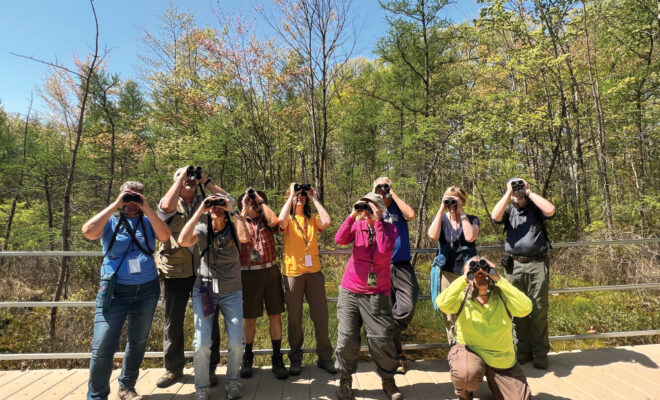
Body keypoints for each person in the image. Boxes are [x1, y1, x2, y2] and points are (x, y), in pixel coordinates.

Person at [82, 181, 171, 400]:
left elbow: (165, 235)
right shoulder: (110, 222)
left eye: (136, 198)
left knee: (138, 341)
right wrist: (116, 204)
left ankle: (126, 388)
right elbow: (88, 232)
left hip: (147, 289)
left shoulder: (148, 221)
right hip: (115, 291)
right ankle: (97, 396)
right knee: (103, 345)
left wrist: (147, 208)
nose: (132, 203)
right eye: (128, 198)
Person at [155, 166, 230, 388]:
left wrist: (206, 180)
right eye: (183, 177)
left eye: (192, 178)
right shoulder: (169, 200)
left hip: (203, 271)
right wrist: (179, 180)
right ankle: (173, 368)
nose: (189, 180)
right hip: (174, 272)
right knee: (173, 321)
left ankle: (209, 367)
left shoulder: (205, 201)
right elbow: (165, 208)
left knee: (209, 319)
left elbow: (228, 201)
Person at [178, 193, 250, 400]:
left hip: (232, 292)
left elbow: (245, 237)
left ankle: (233, 381)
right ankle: (201, 386)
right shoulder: (202, 229)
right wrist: (200, 211)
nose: (216, 207)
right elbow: (183, 240)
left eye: (220, 204)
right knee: (201, 342)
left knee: (236, 341)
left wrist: (232, 209)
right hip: (205, 290)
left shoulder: (235, 229)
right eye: (212, 204)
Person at [334, 193, 403, 400]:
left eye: (371, 207)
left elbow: (383, 251)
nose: (366, 211)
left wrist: (377, 222)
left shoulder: (390, 228)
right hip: (350, 290)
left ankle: (388, 379)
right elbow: (339, 239)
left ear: (380, 209)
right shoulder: (357, 225)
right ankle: (345, 378)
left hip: (376, 293)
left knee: (381, 339)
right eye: (365, 207)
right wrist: (352, 215)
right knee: (346, 339)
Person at [436, 257, 533, 400]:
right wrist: (464, 279)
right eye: (473, 269)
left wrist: (499, 279)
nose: (479, 272)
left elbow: (526, 308)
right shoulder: (462, 297)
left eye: (484, 269)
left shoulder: (502, 296)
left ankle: (496, 383)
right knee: (467, 373)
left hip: (500, 360)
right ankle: (465, 394)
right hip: (470, 352)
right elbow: (442, 303)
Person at [491, 178, 555, 369]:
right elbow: (495, 216)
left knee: (538, 310)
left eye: (520, 185)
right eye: (515, 186)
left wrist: (528, 192)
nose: (517, 189)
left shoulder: (535, 207)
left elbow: (550, 210)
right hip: (514, 266)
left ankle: (540, 354)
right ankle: (522, 352)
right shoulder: (508, 209)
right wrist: (508, 193)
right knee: (517, 309)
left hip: (537, 264)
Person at [277, 182, 335, 376]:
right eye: (296, 194)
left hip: (314, 273)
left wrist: (314, 199)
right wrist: (291, 196)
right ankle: (295, 358)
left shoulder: (312, 219)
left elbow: (327, 222)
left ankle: (325, 357)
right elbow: (281, 222)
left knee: (321, 316)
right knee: (294, 318)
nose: (299, 197)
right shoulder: (289, 220)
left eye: (302, 194)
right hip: (293, 273)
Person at [236, 188, 288, 380]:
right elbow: (239, 236)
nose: (252, 204)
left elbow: (276, 222)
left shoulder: (267, 220)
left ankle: (277, 357)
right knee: (250, 318)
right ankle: (247, 356)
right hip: (248, 274)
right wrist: (243, 210)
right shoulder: (238, 219)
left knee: (275, 315)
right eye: (248, 201)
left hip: (270, 270)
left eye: (255, 201)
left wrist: (261, 202)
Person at [372, 177, 417, 373]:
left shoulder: (397, 207)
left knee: (406, 307)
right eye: (379, 186)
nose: (382, 190)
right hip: (377, 266)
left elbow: (411, 215)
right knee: (381, 309)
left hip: (401, 264)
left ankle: (387, 333)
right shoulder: (373, 209)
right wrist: (375, 196)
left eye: (385, 186)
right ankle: (395, 356)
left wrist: (393, 192)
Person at [427, 186, 480, 344]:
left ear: (463, 200)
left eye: (454, 199)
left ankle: (470, 348)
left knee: (470, 311)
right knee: (449, 315)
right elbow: (432, 235)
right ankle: (455, 349)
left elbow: (470, 237)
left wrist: (461, 211)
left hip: (467, 274)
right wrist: (441, 208)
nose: (451, 203)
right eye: (448, 199)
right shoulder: (442, 219)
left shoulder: (472, 219)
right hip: (446, 273)